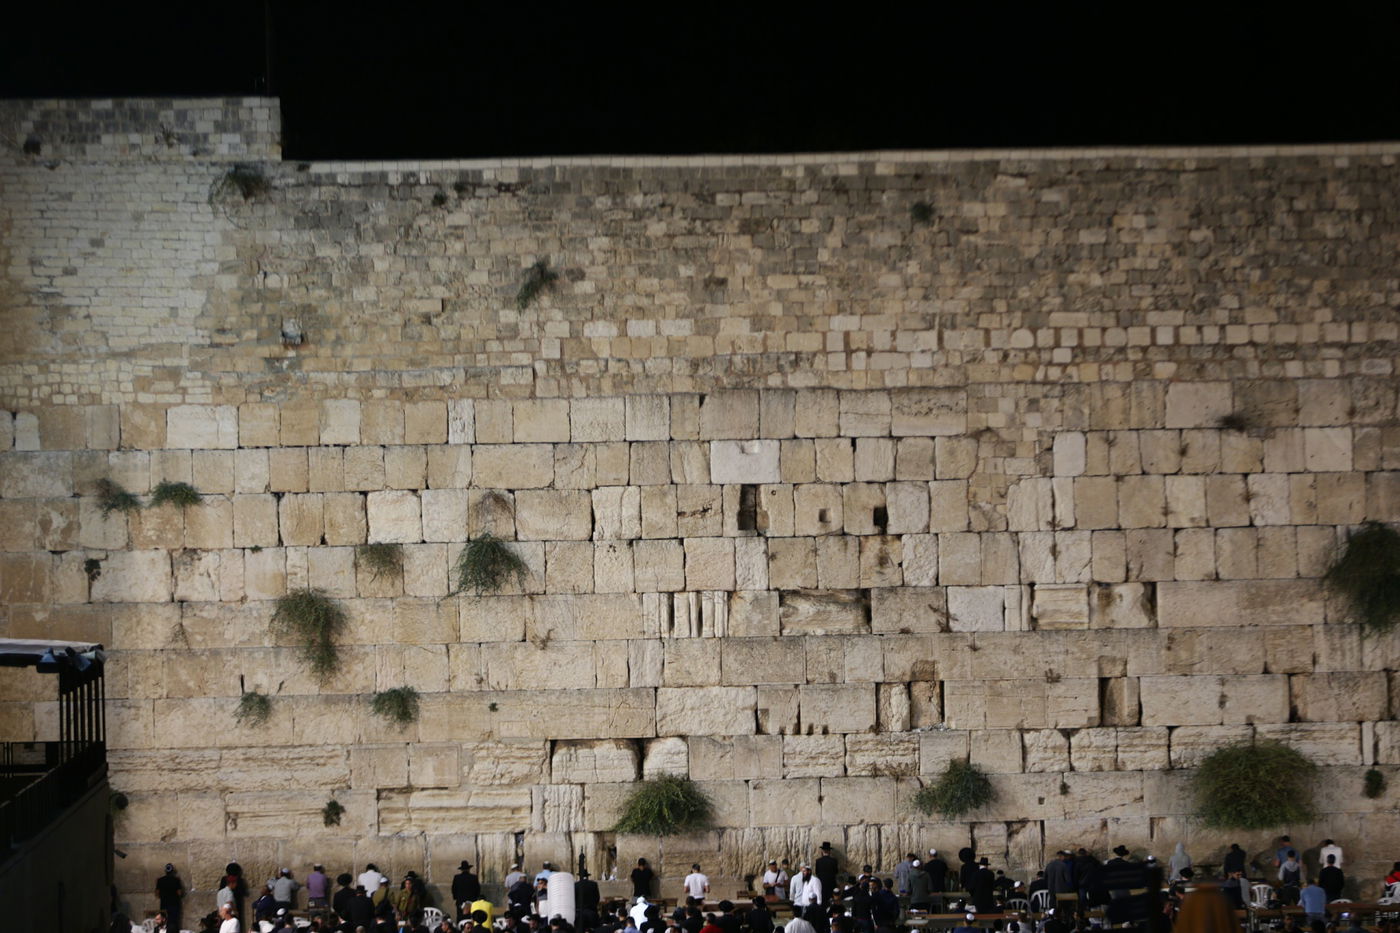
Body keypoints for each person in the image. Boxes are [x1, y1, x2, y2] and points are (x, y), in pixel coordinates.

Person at [156, 863, 185, 933]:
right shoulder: (176, 880)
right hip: (174, 905)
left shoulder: (160, 880)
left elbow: (157, 893)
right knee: (173, 922)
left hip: (164, 904)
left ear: (165, 871)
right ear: (172, 871)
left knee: (164, 922)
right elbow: (179, 893)